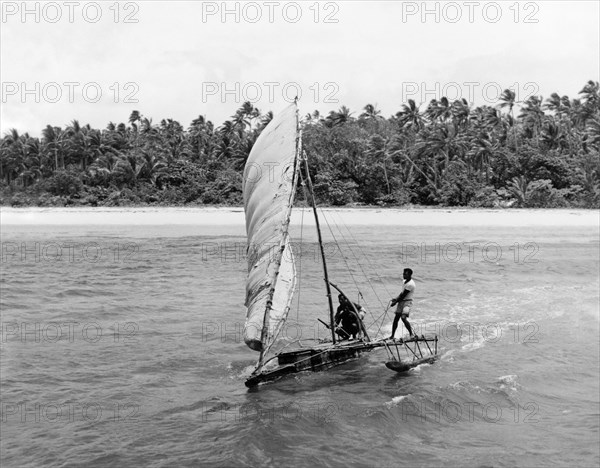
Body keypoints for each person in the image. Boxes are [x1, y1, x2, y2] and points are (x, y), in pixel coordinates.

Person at [389, 268, 415, 340]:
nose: (403, 275)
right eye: (403, 273)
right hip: (401, 301)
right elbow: (402, 293)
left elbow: (404, 295)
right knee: (396, 319)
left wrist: (395, 302)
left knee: (403, 318)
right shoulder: (404, 281)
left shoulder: (411, 284)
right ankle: (392, 336)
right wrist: (396, 298)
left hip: (407, 302)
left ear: (410, 275)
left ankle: (411, 334)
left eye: (405, 274)